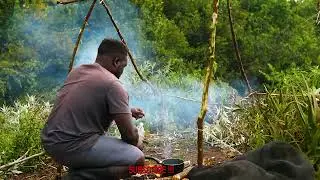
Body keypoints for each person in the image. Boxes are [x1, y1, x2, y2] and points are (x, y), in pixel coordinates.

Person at [41, 38, 145, 179]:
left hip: (50, 142)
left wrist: (128, 110)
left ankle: (80, 171)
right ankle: (78, 177)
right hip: (73, 146)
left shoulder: (78, 71)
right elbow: (130, 138)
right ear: (116, 62)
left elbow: (86, 103)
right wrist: (139, 138)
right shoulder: (113, 84)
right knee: (136, 158)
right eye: (123, 66)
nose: (122, 71)